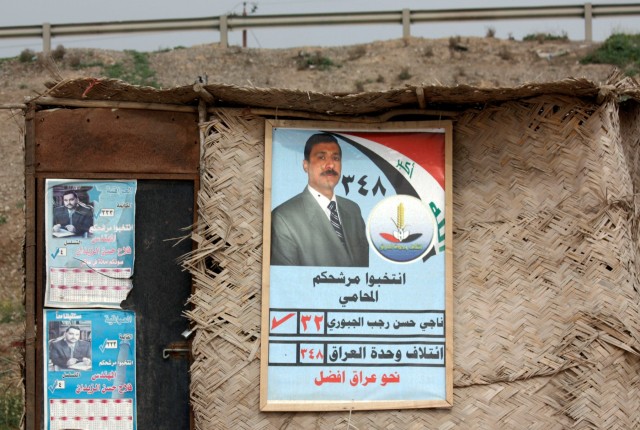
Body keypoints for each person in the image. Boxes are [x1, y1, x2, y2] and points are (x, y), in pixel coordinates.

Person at [271, 133, 369, 267]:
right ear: (305, 165)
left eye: (336, 158)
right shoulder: (284, 217)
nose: (330, 165)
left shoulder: (353, 209)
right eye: (321, 157)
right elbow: (287, 280)